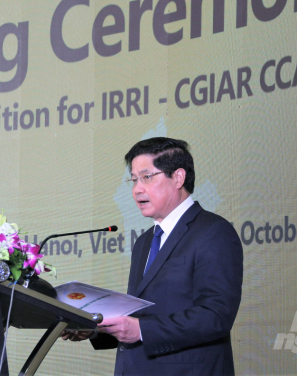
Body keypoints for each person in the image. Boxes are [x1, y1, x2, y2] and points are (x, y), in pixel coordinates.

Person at [63, 137, 243, 375]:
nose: (137, 189)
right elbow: (141, 318)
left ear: (178, 177)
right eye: (134, 179)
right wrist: (97, 329)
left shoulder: (213, 231)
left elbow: (216, 315)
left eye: (147, 177)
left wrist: (141, 330)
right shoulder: (145, 241)